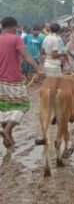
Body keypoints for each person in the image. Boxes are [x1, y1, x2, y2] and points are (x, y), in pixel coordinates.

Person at [0, 17, 45, 148]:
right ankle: (7, 130)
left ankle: (8, 139)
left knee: (4, 107)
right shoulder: (16, 38)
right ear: (14, 27)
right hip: (14, 80)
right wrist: (39, 69)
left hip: (0, 80)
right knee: (23, 105)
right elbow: (25, 55)